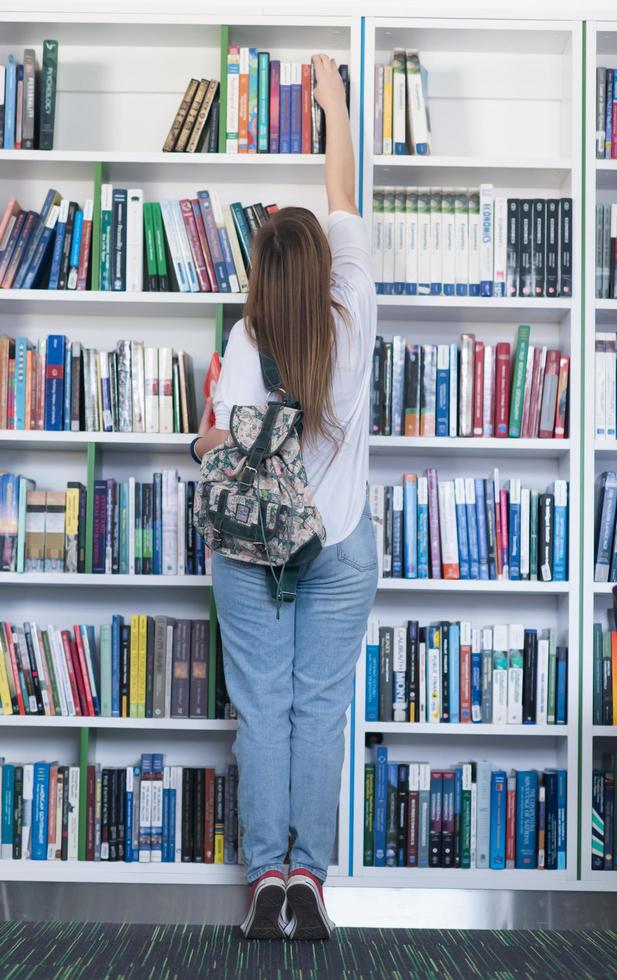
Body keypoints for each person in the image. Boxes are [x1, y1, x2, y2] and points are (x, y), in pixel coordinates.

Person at [191, 53, 377, 940]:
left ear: (263, 281)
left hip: (251, 554)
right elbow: (342, 193)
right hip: (339, 547)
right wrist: (334, 104)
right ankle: (311, 876)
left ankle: (264, 880)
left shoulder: (242, 337)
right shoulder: (355, 308)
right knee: (319, 710)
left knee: (261, 712)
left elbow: (221, 444)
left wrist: (203, 433)